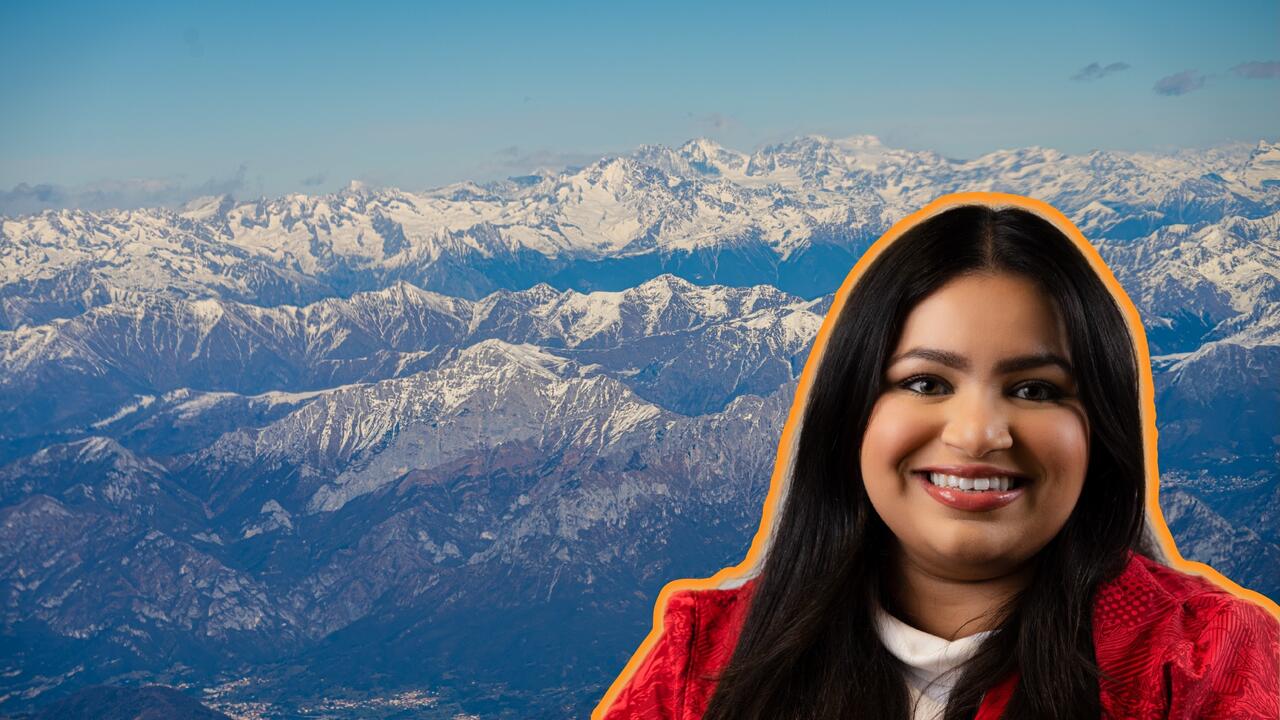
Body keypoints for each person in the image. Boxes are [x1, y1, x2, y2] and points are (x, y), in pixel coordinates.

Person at [596, 193, 1280, 719]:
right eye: (926, 383)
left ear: (1099, 427)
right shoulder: (702, 666)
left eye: (1036, 389)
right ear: (851, 410)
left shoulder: (1206, 667)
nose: (979, 433)